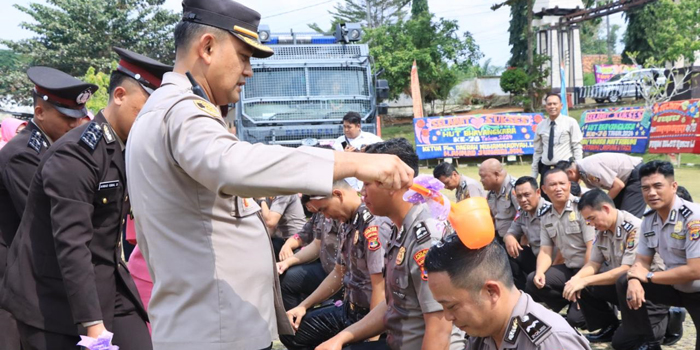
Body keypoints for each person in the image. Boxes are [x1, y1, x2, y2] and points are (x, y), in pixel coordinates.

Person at [124, 1, 414, 349]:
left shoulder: (166, 109)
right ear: (208, 47)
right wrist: (351, 163)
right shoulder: (183, 111)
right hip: (215, 332)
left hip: (210, 325)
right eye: (244, 57)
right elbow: (232, 165)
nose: (248, 71)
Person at [1, 47, 170, 350]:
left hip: (105, 284)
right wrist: (94, 327)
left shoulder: (122, 148)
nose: (153, 120)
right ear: (119, 95)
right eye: (146, 108)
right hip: (52, 298)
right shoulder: (74, 155)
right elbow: (70, 244)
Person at [317, 138, 465, 350]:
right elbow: (391, 302)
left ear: (392, 183)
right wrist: (342, 337)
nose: (362, 193)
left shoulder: (426, 238)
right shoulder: (399, 228)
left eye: (367, 183)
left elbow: (440, 329)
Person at [0, 67, 97, 350]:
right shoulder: (23, 154)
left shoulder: (47, 151)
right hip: (13, 279)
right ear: (40, 113)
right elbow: (50, 219)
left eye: (78, 117)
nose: (74, 125)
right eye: (66, 117)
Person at [425, 236, 592, 349]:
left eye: (452, 306)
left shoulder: (552, 343)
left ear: (491, 291)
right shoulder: (483, 332)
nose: (447, 317)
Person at [281, 179, 392, 349]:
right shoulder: (347, 222)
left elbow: (380, 287)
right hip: (350, 311)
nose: (325, 216)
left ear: (338, 194)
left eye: (324, 209)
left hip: (371, 318)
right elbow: (338, 273)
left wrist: (370, 341)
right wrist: (303, 306)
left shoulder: (372, 225)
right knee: (291, 332)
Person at [562, 189, 670, 348]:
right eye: (587, 221)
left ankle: (666, 322)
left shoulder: (634, 228)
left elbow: (627, 269)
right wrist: (576, 280)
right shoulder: (602, 230)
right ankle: (609, 325)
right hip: (625, 288)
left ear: (605, 209)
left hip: (650, 291)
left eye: (591, 218)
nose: (590, 224)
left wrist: (583, 280)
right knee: (585, 284)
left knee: (621, 344)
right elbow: (593, 263)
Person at [617, 160, 700, 350]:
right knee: (624, 282)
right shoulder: (649, 219)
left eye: (657, 186)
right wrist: (634, 280)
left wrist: (645, 276)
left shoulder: (693, 217)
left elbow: (695, 270)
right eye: (645, 188)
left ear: (673, 186)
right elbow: (641, 261)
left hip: (698, 290)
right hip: (675, 286)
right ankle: (648, 341)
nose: (651, 193)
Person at [525, 168, 594, 329]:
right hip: (569, 269)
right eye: (553, 184)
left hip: (591, 269)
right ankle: (572, 301)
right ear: (543, 189)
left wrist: (580, 280)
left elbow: (592, 248)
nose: (558, 188)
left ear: (569, 185)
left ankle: (592, 303)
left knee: (576, 321)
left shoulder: (582, 208)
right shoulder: (546, 215)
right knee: (533, 280)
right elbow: (545, 250)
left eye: (562, 184)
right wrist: (540, 272)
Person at [278, 195, 341, 310]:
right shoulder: (319, 214)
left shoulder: (340, 214)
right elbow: (312, 240)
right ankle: (294, 321)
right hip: (326, 269)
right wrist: (287, 256)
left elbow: (270, 221)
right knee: (287, 278)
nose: (308, 208)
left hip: (342, 277)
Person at [557, 153, 645, 217]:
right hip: (624, 180)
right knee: (613, 213)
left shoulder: (589, 168)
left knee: (628, 217)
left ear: (570, 172)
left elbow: (618, 185)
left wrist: (601, 202)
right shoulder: (582, 171)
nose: (569, 183)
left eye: (566, 180)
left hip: (635, 175)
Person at [531, 93, 583, 197]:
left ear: (561, 105)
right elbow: (538, 151)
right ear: (545, 106)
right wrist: (534, 176)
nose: (552, 107)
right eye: (549, 104)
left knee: (566, 201)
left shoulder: (570, 122)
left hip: (564, 169)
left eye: (555, 103)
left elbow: (577, 147)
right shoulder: (541, 126)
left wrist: (579, 171)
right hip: (546, 170)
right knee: (546, 202)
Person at [503, 176, 549, 290]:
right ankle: (521, 290)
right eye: (519, 196)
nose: (523, 199)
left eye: (527, 195)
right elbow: (511, 232)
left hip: (552, 262)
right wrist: (509, 237)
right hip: (535, 257)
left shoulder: (550, 211)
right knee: (507, 251)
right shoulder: (522, 212)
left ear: (538, 192)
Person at [332, 111, 383, 191]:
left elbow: (383, 155)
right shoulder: (339, 142)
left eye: (349, 127)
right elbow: (334, 162)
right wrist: (345, 156)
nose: (346, 130)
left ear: (358, 126)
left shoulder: (371, 139)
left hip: (367, 182)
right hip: (348, 185)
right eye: (344, 127)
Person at [479, 158, 519, 239]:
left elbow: (524, 216)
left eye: (483, 177)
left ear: (496, 175)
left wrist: (510, 235)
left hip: (515, 240)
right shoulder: (491, 192)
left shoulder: (515, 188)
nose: (481, 180)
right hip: (499, 238)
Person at [260, 194, 307, 259]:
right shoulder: (270, 196)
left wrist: (261, 200)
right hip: (282, 240)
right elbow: (271, 230)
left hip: (297, 242)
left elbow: (270, 222)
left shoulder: (284, 193)